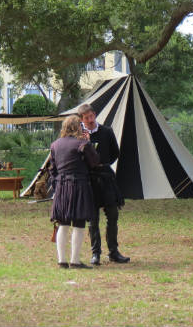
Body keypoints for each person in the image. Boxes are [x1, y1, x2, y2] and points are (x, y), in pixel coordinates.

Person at [78, 103, 130, 265]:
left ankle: (114, 252)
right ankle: (96, 253)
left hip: (106, 178)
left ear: (94, 114)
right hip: (89, 180)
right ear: (82, 119)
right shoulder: (79, 135)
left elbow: (115, 152)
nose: (90, 120)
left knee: (113, 215)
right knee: (93, 219)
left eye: (92, 116)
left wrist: (102, 163)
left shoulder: (106, 132)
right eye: (86, 118)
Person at [50, 115, 100, 269]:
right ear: (78, 126)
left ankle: (62, 261)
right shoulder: (82, 144)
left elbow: (53, 170)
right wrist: (89, 144)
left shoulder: (55, 145)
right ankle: (75, 261)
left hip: (62, 186)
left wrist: (56, 185)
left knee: (63, 224)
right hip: (78, 185)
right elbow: (95, 162)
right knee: (78, 224)